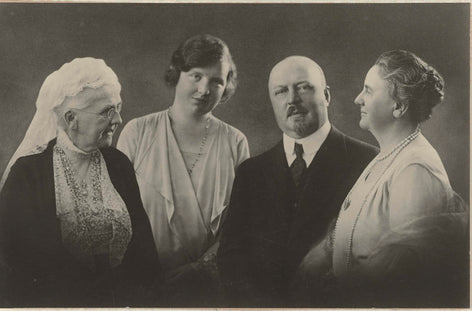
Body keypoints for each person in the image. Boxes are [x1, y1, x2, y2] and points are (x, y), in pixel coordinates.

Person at [298, 50, 469, 307]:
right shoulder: (387, 156)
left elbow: (403, 276)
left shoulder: (415, 169)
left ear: (399, 106)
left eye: (368, 91)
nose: (358, 99)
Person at [0, 58, 162, 307]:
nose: (118, 119)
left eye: (118, 107)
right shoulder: (28, 175)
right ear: (71, 118)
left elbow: (145, 255)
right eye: (107, 111)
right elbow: (15, 271)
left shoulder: (119, 165)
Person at [217, 55, 378, 307]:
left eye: (303, 87)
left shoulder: (369, 162)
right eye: (281, 92)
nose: (292, 99)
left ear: (326, 95)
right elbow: (231, 257)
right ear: (272, 102)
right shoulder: (250, 172)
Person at [117, 34, 249, 305]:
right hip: (141, 285)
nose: (204, 90)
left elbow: (240, 225)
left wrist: (199, 272)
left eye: (217, 81)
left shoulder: (235, 142)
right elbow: (116, 215)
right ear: (177, 73)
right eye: (196, 76)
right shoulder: (138, 132)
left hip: (206, 291)